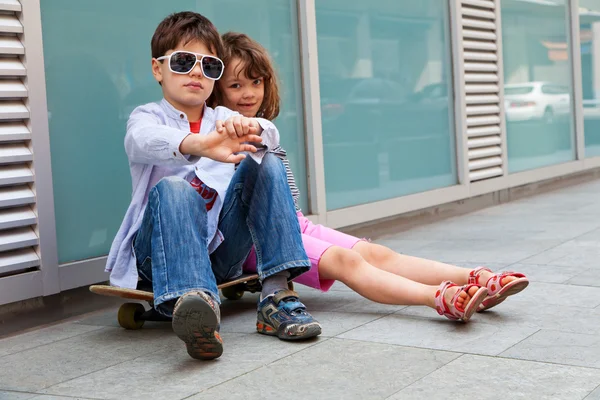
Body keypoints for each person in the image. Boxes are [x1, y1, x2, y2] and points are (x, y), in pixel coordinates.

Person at [209, 32, 530, 322]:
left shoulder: (264, 130)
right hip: (257, 240)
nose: (248, 93)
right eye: (236, 85)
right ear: (217, 91)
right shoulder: (218, 138)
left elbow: (288, 206)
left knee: (378, 254)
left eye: (256, 82)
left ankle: (474, 279)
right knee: (346, 261)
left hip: (294, 223)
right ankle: (438, 298)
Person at [106, 12, 322, 361]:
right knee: (175, 189)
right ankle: (196, 306)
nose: (196, 71)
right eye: (183, 61)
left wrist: (246, 128)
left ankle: (276, 297)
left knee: (265, 159)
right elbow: (140, 141)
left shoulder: (223, 118)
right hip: (158, 256)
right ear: (158, 69)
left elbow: (270, 132)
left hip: (220, 254)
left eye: (209, 65)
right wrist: (201, 145)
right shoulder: (146, 116)